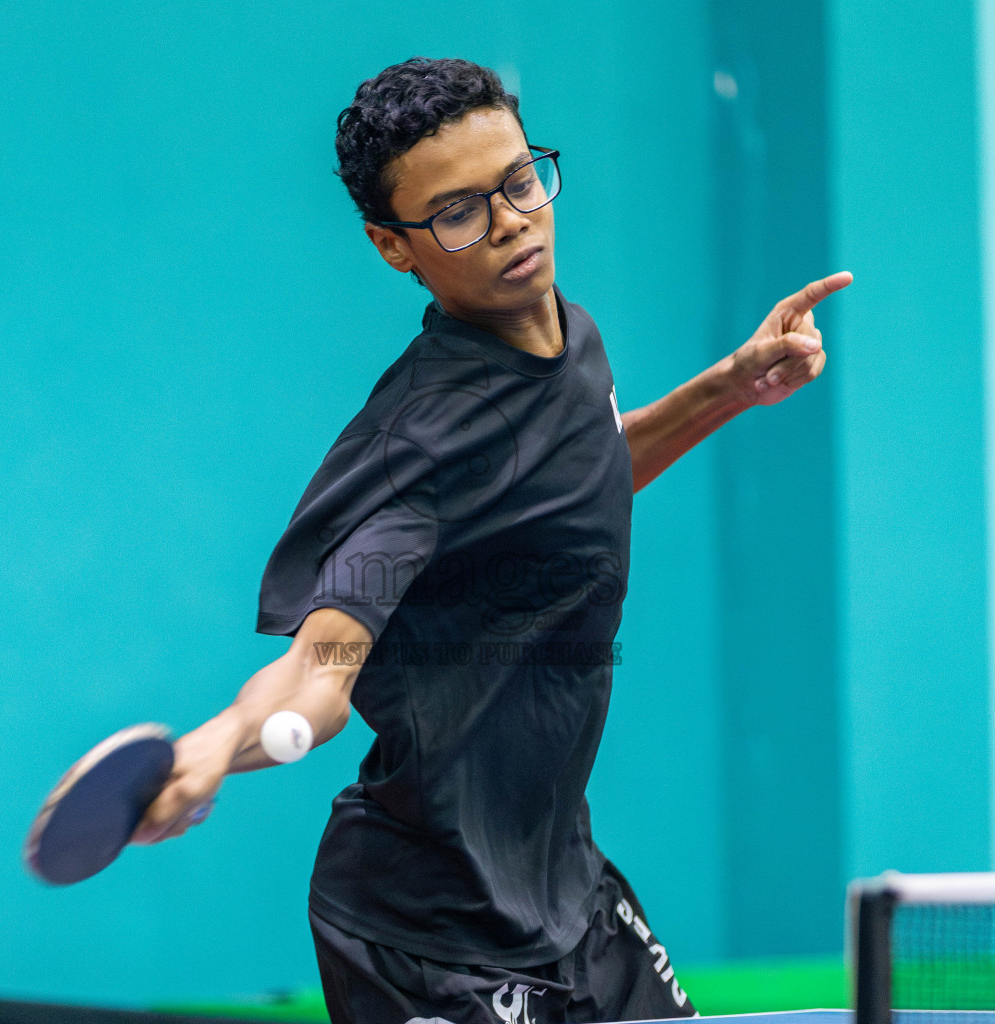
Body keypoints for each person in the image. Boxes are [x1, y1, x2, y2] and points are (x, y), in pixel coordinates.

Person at [134, 57, 850, 1024]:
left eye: (518, 181)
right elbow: (322, 665)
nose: (512, 221)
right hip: (430, 936)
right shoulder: (418, 450)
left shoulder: (566, 334)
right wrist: (217, 743)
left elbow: (579, 473)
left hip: (567, 889)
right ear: (393, 246)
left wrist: (730, 386)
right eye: (459, 212)